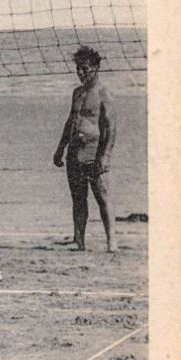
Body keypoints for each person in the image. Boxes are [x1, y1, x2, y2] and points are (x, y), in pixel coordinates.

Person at [53, 45, 117, 253]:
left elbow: (110, 128)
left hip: (93, 151)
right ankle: (79, 240)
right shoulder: (77, 93)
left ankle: (111, 241)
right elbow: (71, 121)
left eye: (85, 68)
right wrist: (60, 148)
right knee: (78, 198)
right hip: (74, 151)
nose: (81, 73)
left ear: (96, 68)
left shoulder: (103, 94)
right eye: (78, 68)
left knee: (102, 196)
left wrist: (105, 156)